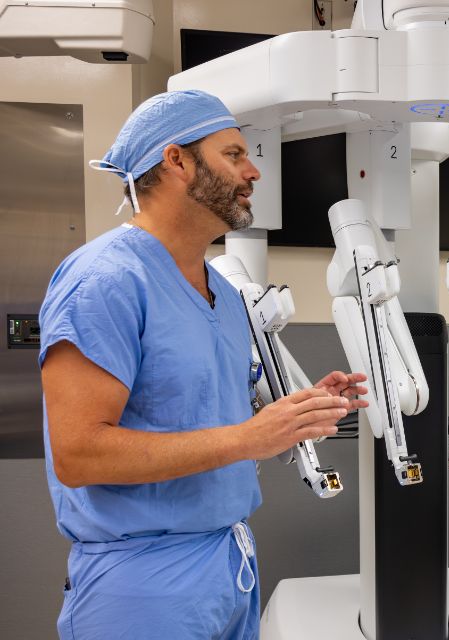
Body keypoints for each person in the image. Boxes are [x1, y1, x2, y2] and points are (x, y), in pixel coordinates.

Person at [39, 90, 368, 640]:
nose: (254, 170)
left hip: (229, 566)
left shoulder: (223, 292)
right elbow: (78, 453)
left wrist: (290, 414)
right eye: (234, 154)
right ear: (176, 161)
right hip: (143, 587)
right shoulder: (105, 281)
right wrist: (249, 438)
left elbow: (203, 416)